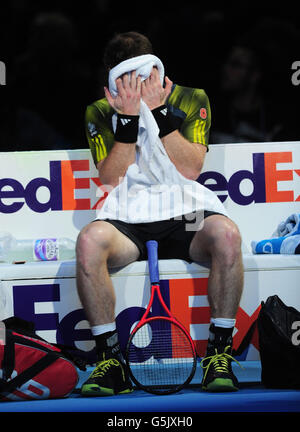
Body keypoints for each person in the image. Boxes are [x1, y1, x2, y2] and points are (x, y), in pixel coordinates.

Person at [76, 31, 244, 396]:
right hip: (128, 217)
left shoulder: (191, 97)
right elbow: (110, 177)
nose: (134, 85)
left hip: (185, 214)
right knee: (89, 241)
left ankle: (219, 353)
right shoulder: (101, 110)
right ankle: (109, 362)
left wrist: (158, 112)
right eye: (125, 80)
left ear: (155, 69)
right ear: (111, 80)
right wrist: (127, 118)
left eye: (142, 75)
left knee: (227, 235)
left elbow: (190, 170)